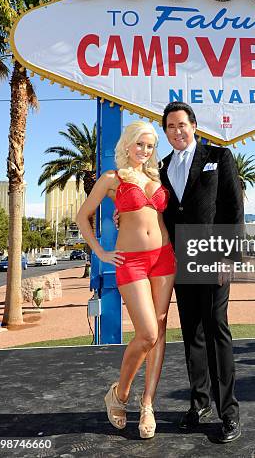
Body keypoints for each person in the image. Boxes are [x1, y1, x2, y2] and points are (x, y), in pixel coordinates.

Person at [76, 121, 176, 440]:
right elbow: (82, 216)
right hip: (129, 261)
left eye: (150, 146)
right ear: (128, 144)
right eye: (140, 144)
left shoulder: (158, 177)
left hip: (164, 258)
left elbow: (170, 215)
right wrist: (101, 253)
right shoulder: (111, 178)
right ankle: (119, 394)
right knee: (146, 333)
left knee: (159, 333)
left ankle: (147, 404)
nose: (144, 151)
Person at [160, 101, 244, 443]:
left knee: (216, 330)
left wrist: (228, 256)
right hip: (180, 259)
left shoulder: (218, 157)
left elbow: (233, 206)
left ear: (193, 125)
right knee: (191, 333)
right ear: (165, 132)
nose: (177, 131)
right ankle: (200, 403)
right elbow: (162, 212)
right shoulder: (163, 165)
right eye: (170, 127)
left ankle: (230, 413)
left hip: (212, 255)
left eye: (182, 124)